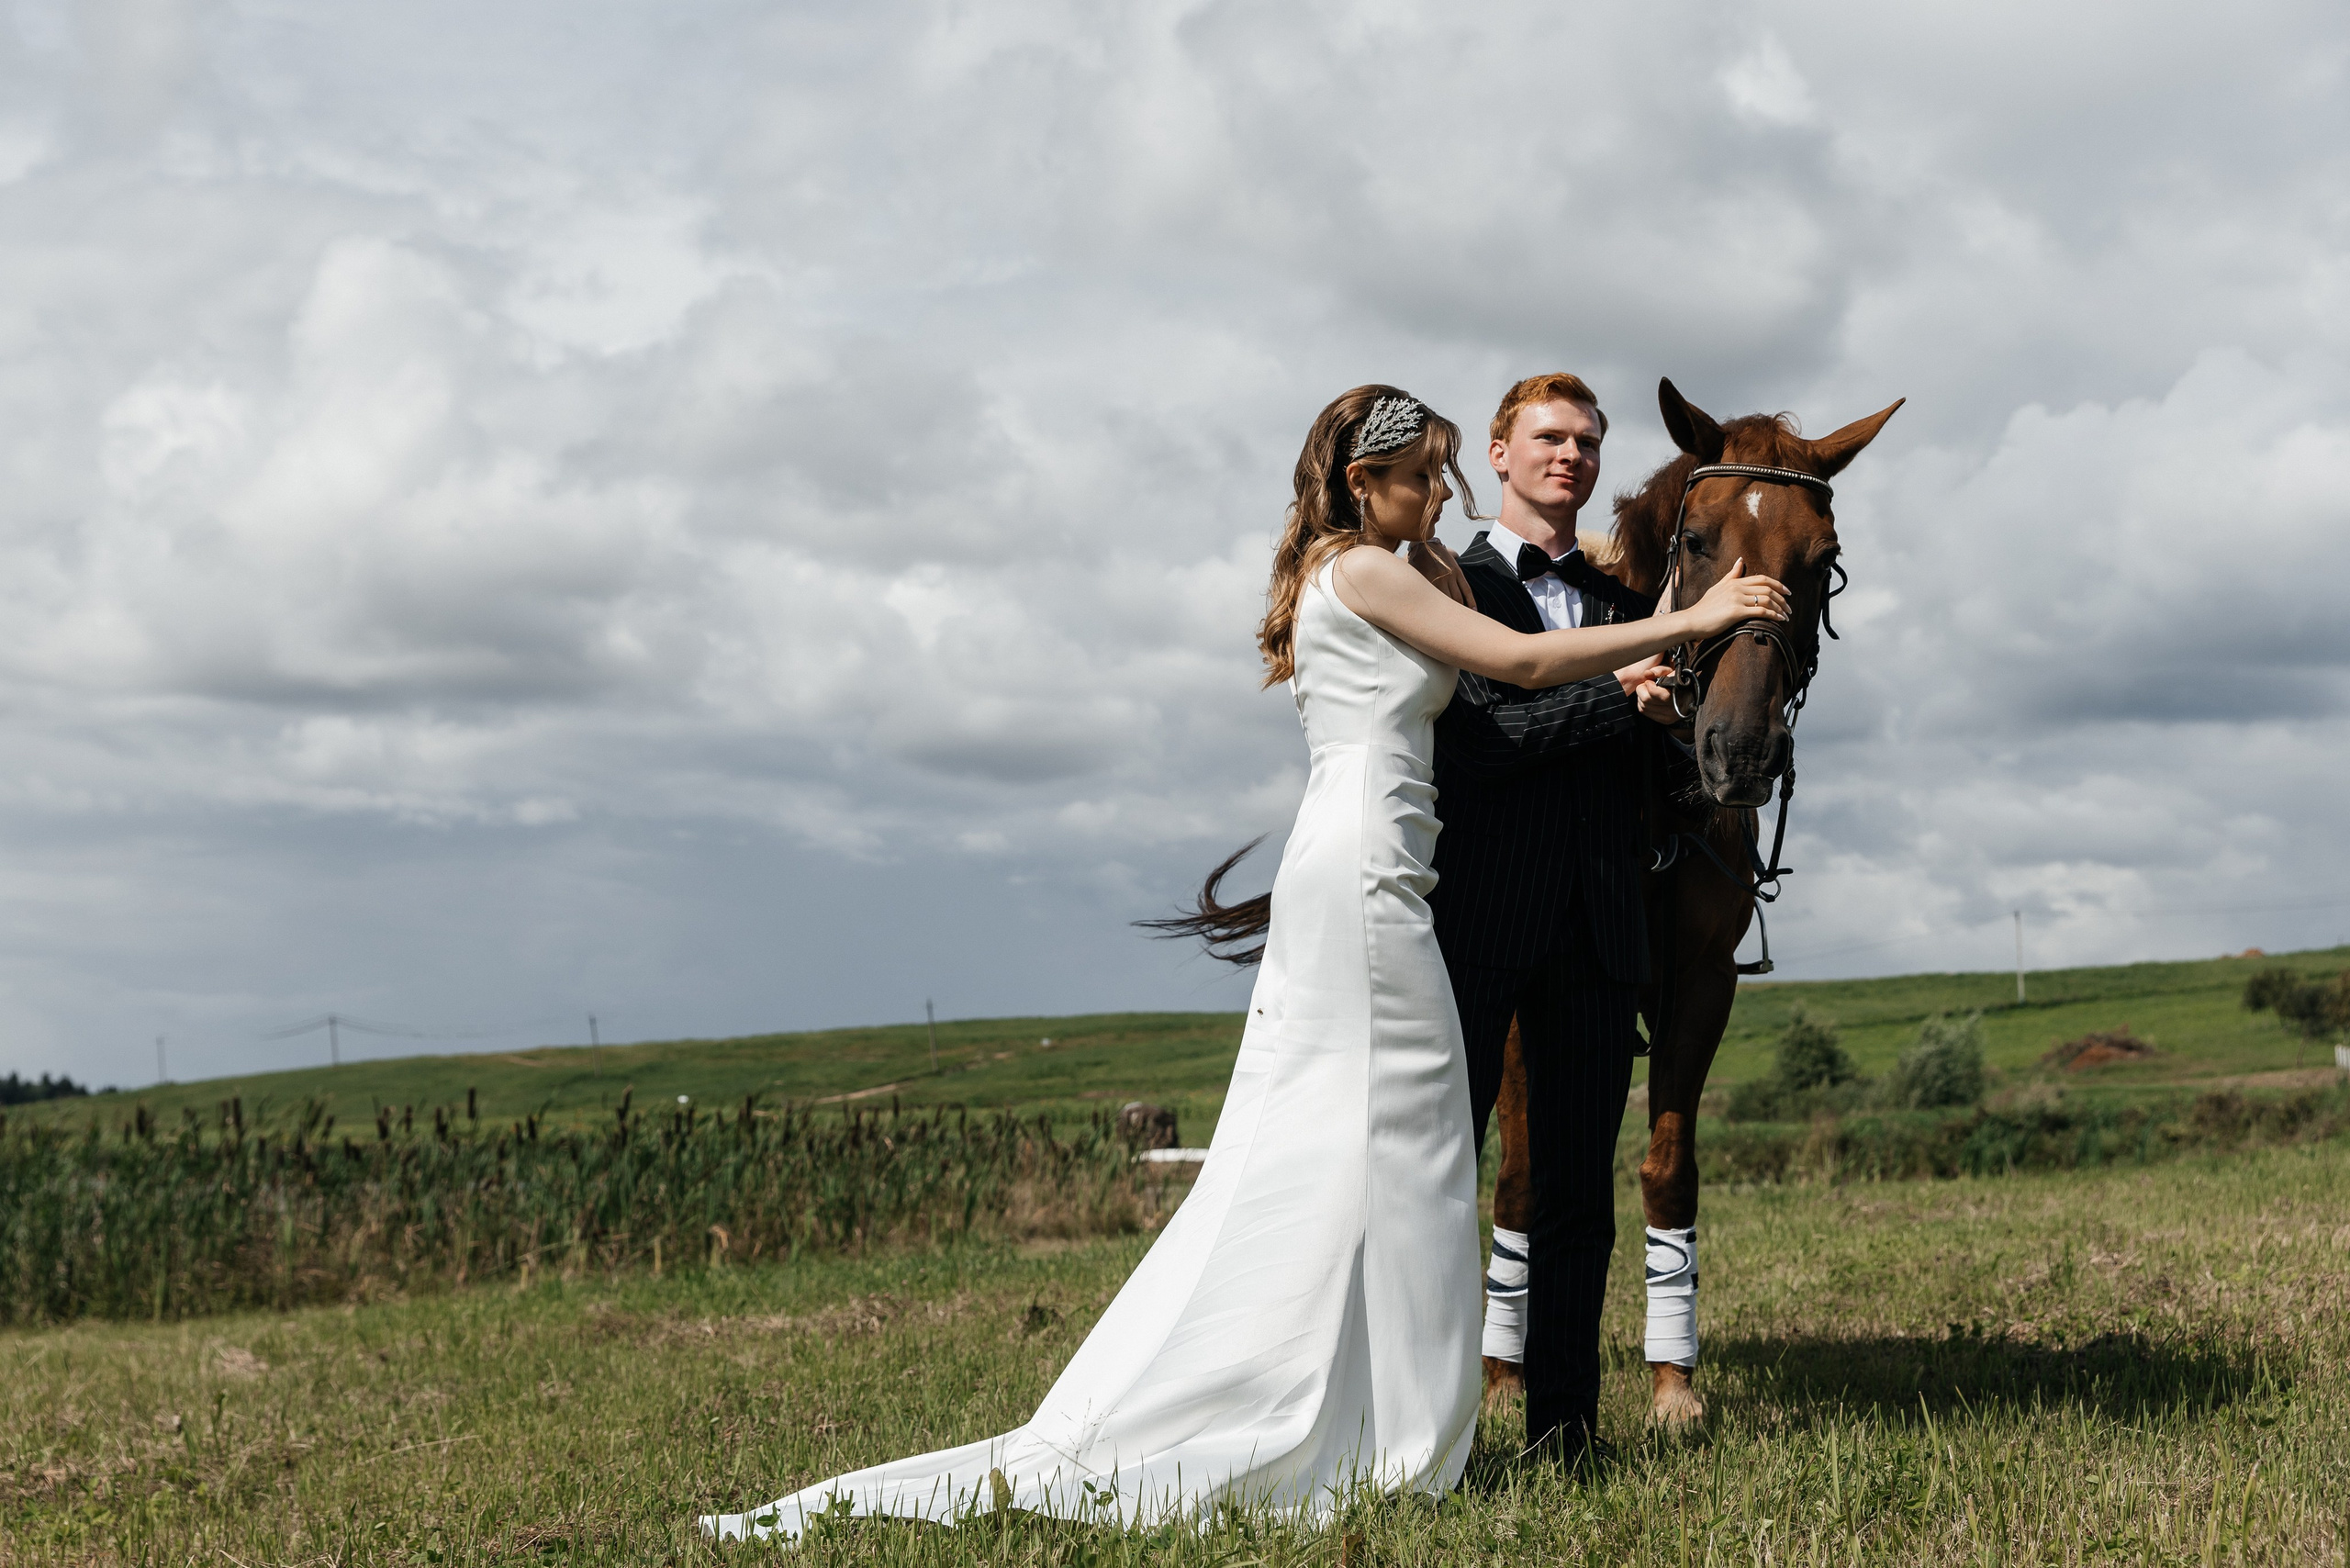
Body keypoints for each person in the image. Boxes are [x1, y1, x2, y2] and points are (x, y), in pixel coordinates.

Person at [700, 386, 1784, 1544]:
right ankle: (1399, 1434)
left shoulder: (1398, 570)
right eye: (1424, 473)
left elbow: (1496, 699)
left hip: (1402, 868)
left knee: (1392, 1152)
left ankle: (1403, 1421)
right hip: (1375, 872)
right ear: (1362, 481)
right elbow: (1515, 677)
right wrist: (1688, 618)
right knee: (1412, 1146)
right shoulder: (1364, 569)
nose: (1440, 494)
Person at [1414, 372, 1673, 1462]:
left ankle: (1568, 1430)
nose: (1570, 456)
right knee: (1438, 1183)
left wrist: (1667, 715)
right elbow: (1484, 739)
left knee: (1577, 1196)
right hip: (1478, 928)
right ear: (1501, 452)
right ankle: (1432, 1432)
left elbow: (1652, 777)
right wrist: (1619, 695)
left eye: (1587, 442)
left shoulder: (1627, 604)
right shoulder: (1452, 587)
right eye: (1549, 438)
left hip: (1600, 928)